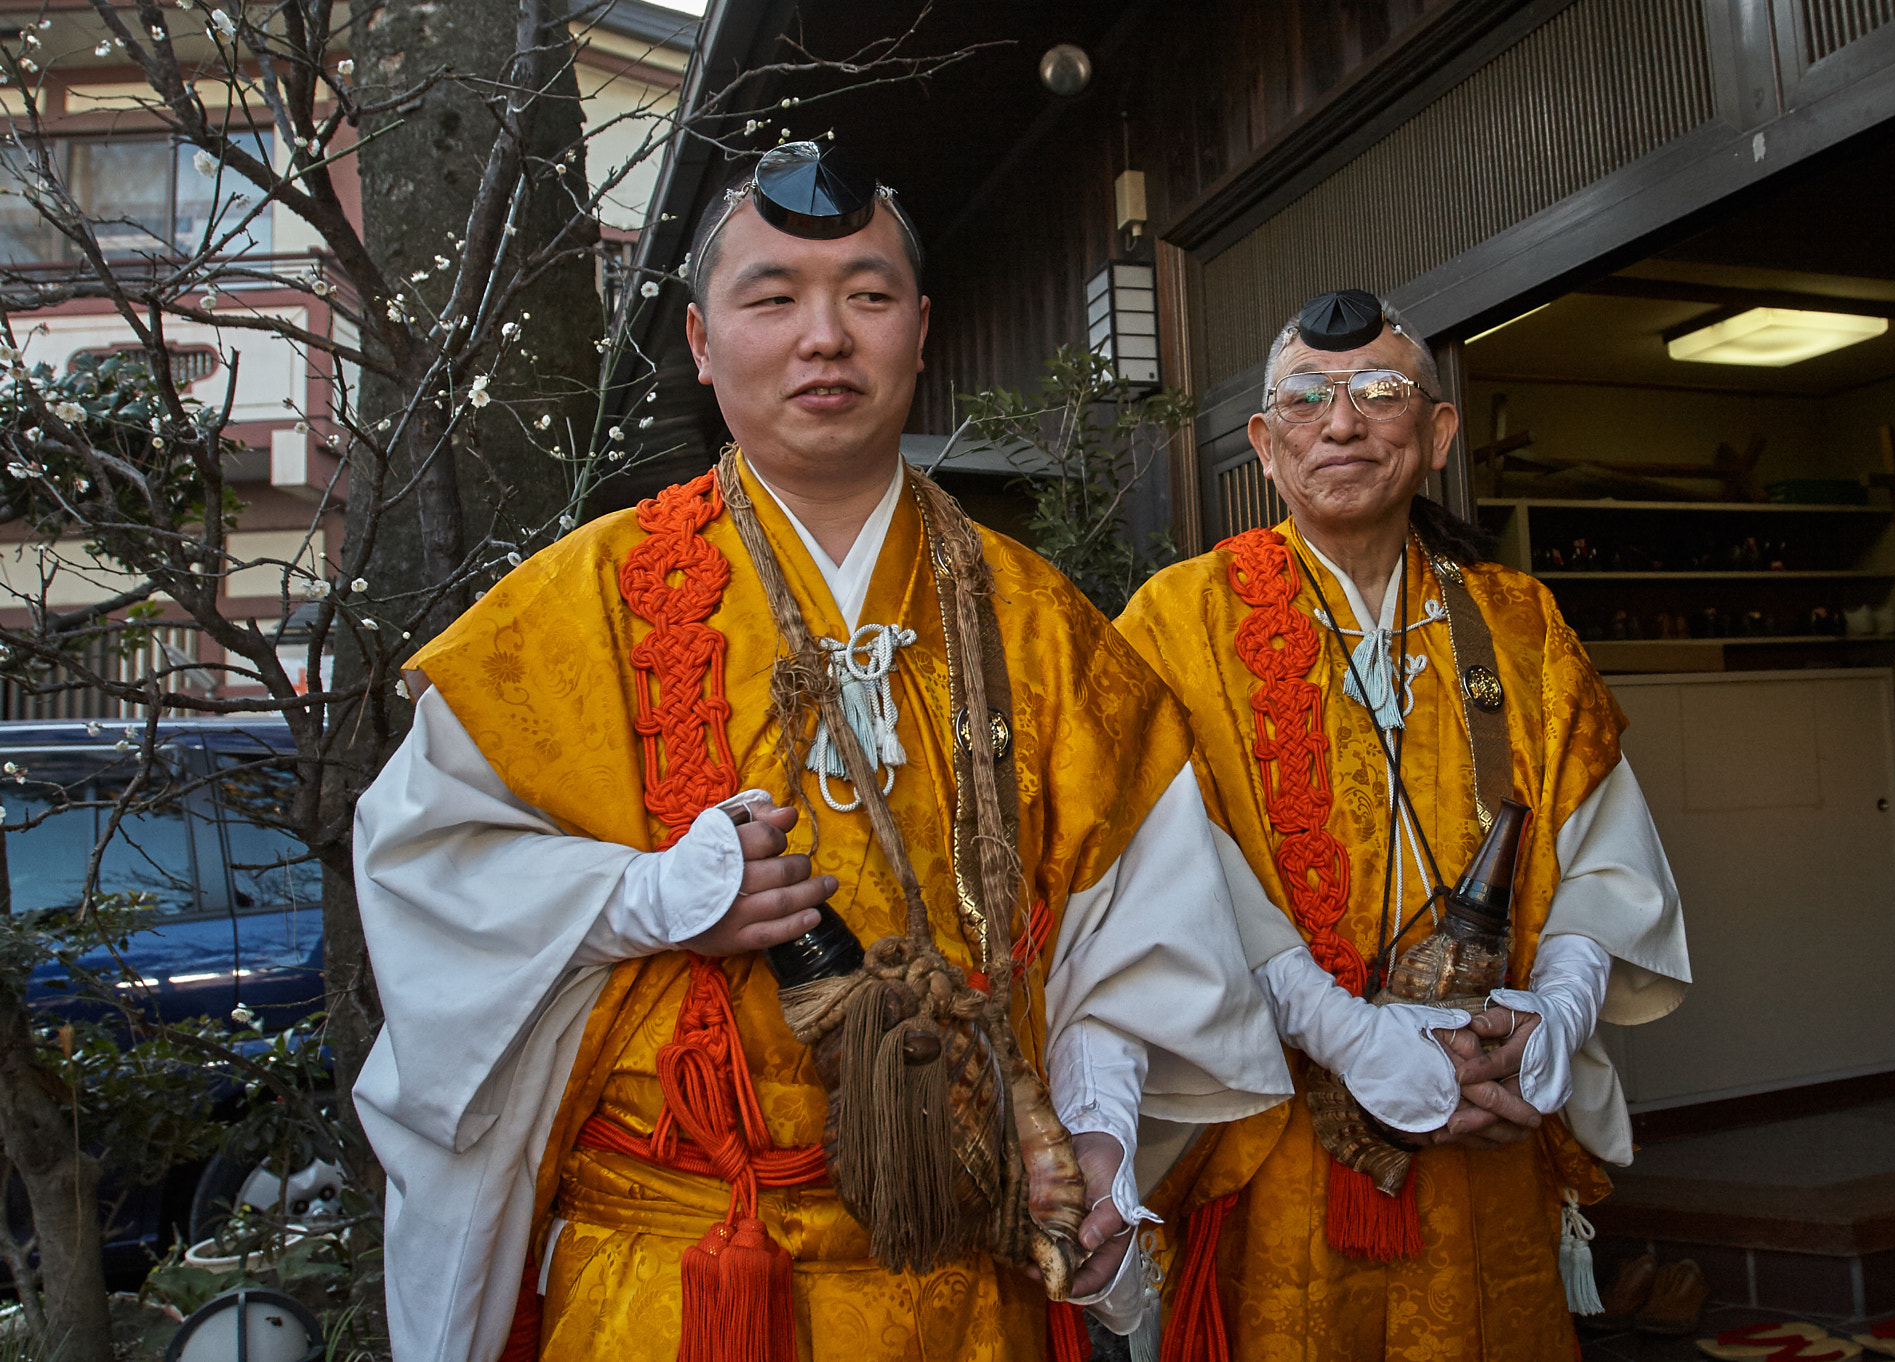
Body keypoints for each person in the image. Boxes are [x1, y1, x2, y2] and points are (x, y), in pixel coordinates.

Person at [349, 142, 1291, 1362]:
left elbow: (1137, 932)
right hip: (680, 1279)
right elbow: (424, 872)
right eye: (772, 296)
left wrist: (1098, 1136)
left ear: (919, 326)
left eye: (866, 293)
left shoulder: (1040, 624)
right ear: (699, 341)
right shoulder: (576, 608)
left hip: (964, 1278)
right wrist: (635, 899)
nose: (824, 336)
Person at [1116, 290, 1691, 1361]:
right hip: (1280, 1135)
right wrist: (1344, 1035)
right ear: (1262, 444)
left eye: (1378, 393)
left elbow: (1598, 840)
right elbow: (1154, 862)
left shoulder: (1517, 622)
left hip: (1492, 1112)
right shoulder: (1175, 620)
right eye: (1303, 398)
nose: (1339, 424)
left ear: (1433, 434)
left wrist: (1557, 1009)